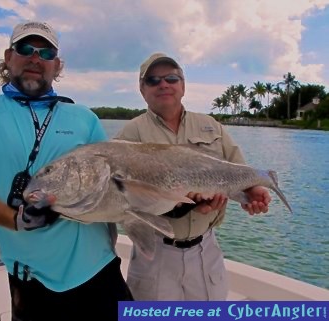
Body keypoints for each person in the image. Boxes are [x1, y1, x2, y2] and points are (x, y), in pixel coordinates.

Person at [0, 21, 133, 321]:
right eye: (25, 49)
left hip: (101, 267)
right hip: (32, 279)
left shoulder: (84, 117)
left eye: (45, 52)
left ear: (56, 65)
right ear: (9, 57)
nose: (35, 57)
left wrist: (168, 204)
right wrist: (16, 219)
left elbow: (117, 181)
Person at [114, 52, 272, 301]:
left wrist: (253, 191)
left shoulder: (211, 125)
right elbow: (122, 200)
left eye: (171, 78)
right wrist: (181, 206)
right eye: (153, 80)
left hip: (205, 250)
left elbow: (236, 169)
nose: (163, 84)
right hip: (154, 253)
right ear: (142, 90)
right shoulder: (129, 135)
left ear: (183, 85)